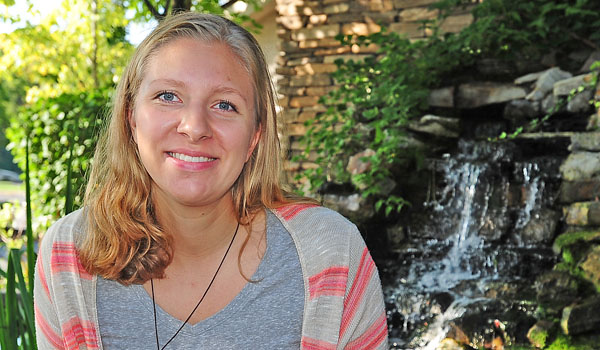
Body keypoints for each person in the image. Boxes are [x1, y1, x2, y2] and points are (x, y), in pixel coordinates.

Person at [34, 12, 388, 349]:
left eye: (225, 105)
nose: (194, 128)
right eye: (168, 96)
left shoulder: (331, 255)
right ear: (132, 120)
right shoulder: (69, 257)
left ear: (254, 137)